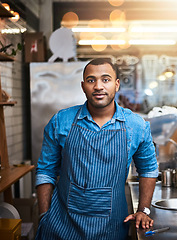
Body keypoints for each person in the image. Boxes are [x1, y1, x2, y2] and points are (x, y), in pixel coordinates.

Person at [35, 58, 159, 240]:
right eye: (91, 80)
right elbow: (46, 170)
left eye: (106, 79)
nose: (98, 86)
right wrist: (44, 215)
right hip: (60, 227)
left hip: (111, 228)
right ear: (83, 86)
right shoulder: (61, 120)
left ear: (117, 85)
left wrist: (143, 210)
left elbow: (148, 169)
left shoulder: (136, 126)